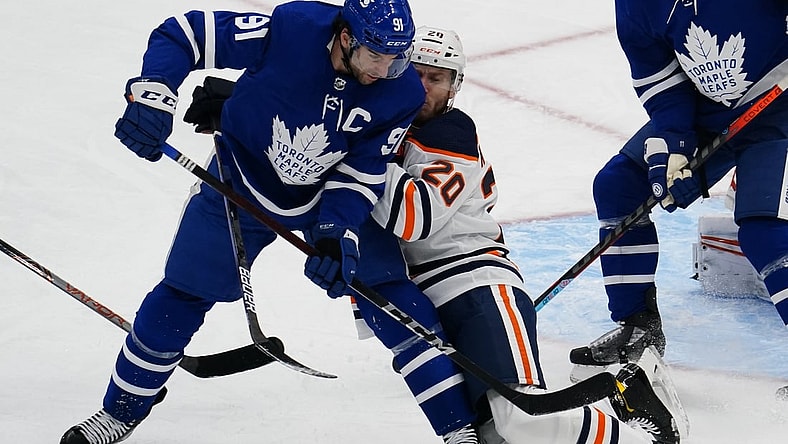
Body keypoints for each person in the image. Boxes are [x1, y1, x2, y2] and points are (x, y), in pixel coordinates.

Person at [60, 1, 424, 443]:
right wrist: (154, 93)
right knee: (184, 291)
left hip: (325, 196)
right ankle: (119, 412)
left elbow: (362, 171)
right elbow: (184, 33)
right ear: (346, 38)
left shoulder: (402, 91)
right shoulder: (292, 29)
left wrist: (337, 231)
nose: (384, 71)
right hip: (240, 177)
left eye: (396, 59)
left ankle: (461, 427)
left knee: (384, 288)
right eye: (375, 56)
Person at [350, 25, 681, 444]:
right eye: (415, 74)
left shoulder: (450, 132)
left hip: (476, 285)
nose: (423, 87)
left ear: (454, 87)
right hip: (430, 295)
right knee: (496, 434)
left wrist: (358, 155)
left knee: (522, 419)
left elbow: (414, 218)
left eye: (436, 78)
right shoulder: (392, 130)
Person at [568, 0, 788, 395]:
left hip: (782, 103)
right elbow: (661, 81)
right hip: (712, 110)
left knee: (765, 230)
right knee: (619, 186)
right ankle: (639, 329)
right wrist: (675, 146)